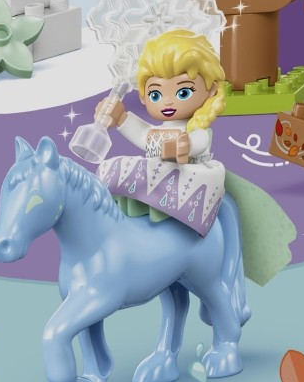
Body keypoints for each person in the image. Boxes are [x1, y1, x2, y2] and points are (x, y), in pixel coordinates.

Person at [95, 29, 227, 235]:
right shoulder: (159, 130)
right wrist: (121, 117)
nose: (168, 102)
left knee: (157, 172)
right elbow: (145, 136)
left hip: (190, 176)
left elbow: (198, 141)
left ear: (211, 90)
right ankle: (135, 213)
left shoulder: (197, 129)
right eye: (155, 94)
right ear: (143, 96)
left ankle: (170, 219)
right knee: (120, 166)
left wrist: (185, 146)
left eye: (183, 92)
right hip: (161, 172)